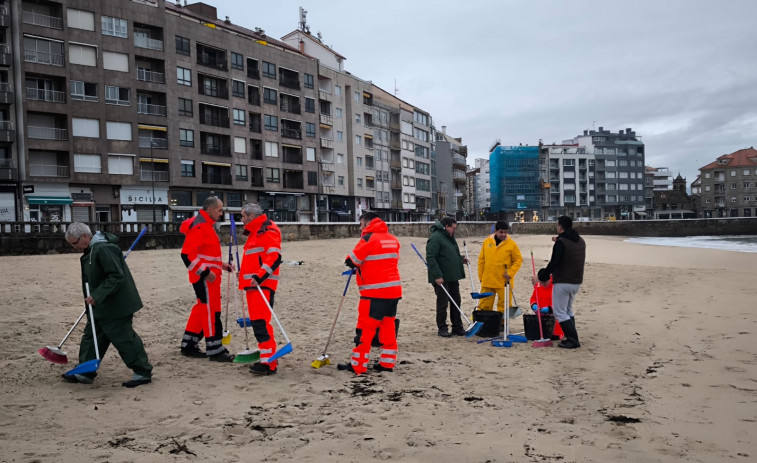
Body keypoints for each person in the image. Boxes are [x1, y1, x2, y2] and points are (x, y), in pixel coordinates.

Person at [63, 223, 152, 388]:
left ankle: (143, 371)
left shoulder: (103, 248)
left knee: (123, 337)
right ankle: (85, 371)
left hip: (116, 305)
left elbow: (116, 276)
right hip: (101, 305)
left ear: (84, 236)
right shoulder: (91, 250)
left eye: (75, 243)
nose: (74, 247)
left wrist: (97, 295)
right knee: (92, 336)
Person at [338, 212, 401, 375]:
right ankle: (387, 364)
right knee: (388, 327)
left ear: (367, 223)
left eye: (360, 224)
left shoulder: (368, 239)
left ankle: (358, 365)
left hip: (373, 292)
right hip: (393, 290)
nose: (360, 228)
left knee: (365, 329)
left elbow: (351, 260)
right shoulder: (393, 239)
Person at [179, 196, 233, 362]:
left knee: (203, 309)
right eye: (219, 209)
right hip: (205, 278)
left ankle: (188, 344)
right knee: (211, 312)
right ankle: (215, 350)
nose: (221, 213)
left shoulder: (205, 225)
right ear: (209, 210)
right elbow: (187, 255)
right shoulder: (201, 226)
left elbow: (205, 254)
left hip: (209, 276)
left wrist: (221, 265)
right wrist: (205, 272)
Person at [238, 203, 283, 375]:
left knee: (261, 324)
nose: (241, 220)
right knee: (259, 324)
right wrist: (243, 275)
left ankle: (269, 363)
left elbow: (274, 257)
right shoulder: (257, 231)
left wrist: (259, 276)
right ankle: (267, 359)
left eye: (243, 216)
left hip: (262, 285)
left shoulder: (267, 230)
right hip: (254, 285)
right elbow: (256, 259)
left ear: (251, 216)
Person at [533, 215, 585, 349]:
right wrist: (559, 240)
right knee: (567, 310)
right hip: (576, 281)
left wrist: (542, 277)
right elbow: (570, 248)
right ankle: (570, 337)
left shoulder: (561, 243)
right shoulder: (580, 240)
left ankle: (573, 340)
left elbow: (554, 263)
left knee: (559, 312)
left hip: (563, 282)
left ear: (560, 226)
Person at [425, 217, 467, 337]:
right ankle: (442, 328)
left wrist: (460, 259)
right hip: (442, 277)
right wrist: (437, 276)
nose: (454, 231)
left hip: (453, 275)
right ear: (446, 226)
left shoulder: (449, 237)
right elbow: (431, 257)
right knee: (443, 303)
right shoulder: (436, 238)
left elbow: (451, 253)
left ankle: (457, 327)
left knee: (456, 301)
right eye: (453, 228)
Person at [477, 220, 523, 313]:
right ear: (496, 231)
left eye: (505, 232)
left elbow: (518, 260)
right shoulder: (487, 242)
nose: (503, 234)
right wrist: (481, 276)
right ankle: (484, 323)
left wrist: (510, 273)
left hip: (504, 281)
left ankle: (502, 324)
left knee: (504, 306)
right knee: (484, 304)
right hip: (488, 279)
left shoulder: (511, 244)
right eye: (501, 232)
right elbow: (481, 260)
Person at [529, 269, 564, 340]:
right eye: (541, 282)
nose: (543, 284)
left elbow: (561, 303)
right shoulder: (538, 286)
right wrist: (534, 305)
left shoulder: (556, 286)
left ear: (549, 279)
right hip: (542, 315)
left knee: (554, 336)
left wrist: (549, 309)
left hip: (555, 317)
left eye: (545, 282)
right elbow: (533, 298)